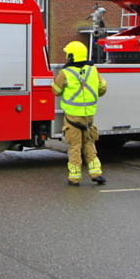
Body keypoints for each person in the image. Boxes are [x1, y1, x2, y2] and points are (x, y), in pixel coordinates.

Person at [52, 40, 108, 186]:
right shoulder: (93, 70)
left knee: (75, 146)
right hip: (88, 116)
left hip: (72, 116)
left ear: (71, 56)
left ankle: (75, 177)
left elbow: (56, 91)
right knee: (89, 143)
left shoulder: (65, 73)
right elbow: (102, 89)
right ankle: (96, 173)